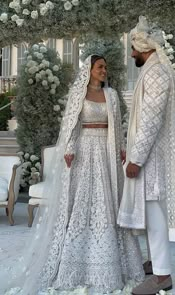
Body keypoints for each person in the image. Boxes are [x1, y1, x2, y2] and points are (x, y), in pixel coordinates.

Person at [3, 55, 144, 295]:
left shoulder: (111, 95)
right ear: (88, 70)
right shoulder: (78, 94)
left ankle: (109, 259)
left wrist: (121, 148)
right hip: (82, 151)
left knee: (106, 201)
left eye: (105, 67)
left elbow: (117, 126)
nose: (104, 71)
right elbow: (70, 125)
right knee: (81, 202)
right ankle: (74, 260)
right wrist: (69, 148)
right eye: (100, 67)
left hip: (105, 151)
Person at [117, 17, 175, 295]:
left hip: (152, 159)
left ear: (143, 47)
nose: (131, 53)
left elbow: (150, 119)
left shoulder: (156, 72)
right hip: (148, 156)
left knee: (155, 215)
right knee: (150, 215)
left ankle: (162, 276)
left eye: (134, 48)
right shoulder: (151, 69)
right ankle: (156, 263)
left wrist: (136, 158)